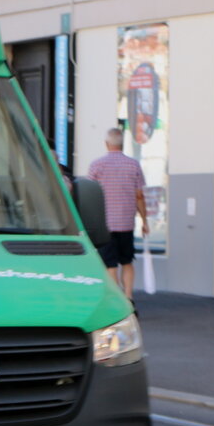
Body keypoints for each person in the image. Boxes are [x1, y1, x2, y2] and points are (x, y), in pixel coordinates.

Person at [87, 127, 148, 301]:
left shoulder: (96, 165)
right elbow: (139, 196)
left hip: (105, 225)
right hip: (126, 223)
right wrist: (145, 221)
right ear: (122, 144)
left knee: (110, 265)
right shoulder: (133, 164)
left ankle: (117, 299)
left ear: (106, 144)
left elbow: (90, 193)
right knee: (127, 261)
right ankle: (129, 297)